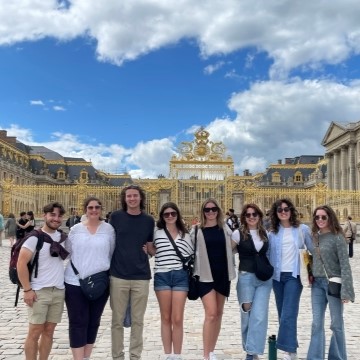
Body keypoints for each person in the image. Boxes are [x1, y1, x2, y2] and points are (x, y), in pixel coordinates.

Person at [64, 196, 115, 360]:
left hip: (100, 282)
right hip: (75, 282)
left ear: (101, 210)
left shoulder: (109, 230)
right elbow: (68, 253)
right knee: (78, 321)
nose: (94, 210)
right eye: (91, 207)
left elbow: (111, 253)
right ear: (85, 209)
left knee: (94, 321)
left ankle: (86, 357)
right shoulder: (75, 229)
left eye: (97, 207)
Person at [16, 202, 68, 360]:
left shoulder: (63, 238)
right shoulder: (34, 238)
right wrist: (27, 289)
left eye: (59, 215)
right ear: (44, 215)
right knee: (35, 331)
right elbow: (21, 263)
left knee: (50, 330)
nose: (56, 218)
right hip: (39, 291)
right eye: (52, 214)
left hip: (58, 290)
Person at [109, 184, 155, 360]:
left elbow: (151, 248)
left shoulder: (148, 220)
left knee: (138, 321)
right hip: (118, 275)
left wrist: (151, 251)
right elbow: (108, 241)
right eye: (129, 196)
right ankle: (117, 356)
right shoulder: (116, 217)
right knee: (117, 321)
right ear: (124, 198)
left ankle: (135, 356)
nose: (132, 199)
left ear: (141, 198)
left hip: (141, 276)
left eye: (135, 196)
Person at [306, 205, 355, 360]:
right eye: (317, 217)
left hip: (333, 283)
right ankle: (315, 357)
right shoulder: (314, 236)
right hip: (317, 285)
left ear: (330, 218)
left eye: (323, 217)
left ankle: (338, 357)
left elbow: (345, 265)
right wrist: (310, 273)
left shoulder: (337, 237)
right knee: (316, 323)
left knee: (336, 324)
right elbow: (314, 259)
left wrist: (346, 291)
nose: (320, 220)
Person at [267, 198, 313, 360]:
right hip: (277, 277)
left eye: (286, 209)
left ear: (291, 211)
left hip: (295, 275)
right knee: (282, 312)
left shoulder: (303, 229)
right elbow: (266, 254)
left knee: (289, 312)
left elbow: (313, 249)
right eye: (280, 210)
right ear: (276, 213)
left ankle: (289, 349)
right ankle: (290, 346)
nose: (283, 212)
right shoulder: (272, 232)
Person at [191, 198, 236, 360]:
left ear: (218, 210)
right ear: (203, 212)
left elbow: (236, 247)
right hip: (205, 276)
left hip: (223, 275)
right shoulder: (196, 230)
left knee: (218, 313)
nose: (211, 212)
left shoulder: (226, 229)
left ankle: (211, 350)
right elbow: (186, 248)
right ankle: (206, 355)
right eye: (207, 210)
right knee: (211, 314)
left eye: (213, 209)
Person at [148, 202, 193, 360]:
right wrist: (148, 250)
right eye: (166, 214)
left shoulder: (186, 234)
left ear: (177, 215)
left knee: (178, 318)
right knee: (166, 317)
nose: (170, 216)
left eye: (173, 213)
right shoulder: (156, 232)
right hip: (162, 275)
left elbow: (191, 255)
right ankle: (168, 355)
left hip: (180, 275)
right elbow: (152, 251)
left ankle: (178, 355)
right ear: (162, 216)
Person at [231, 204, 272, 360]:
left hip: (264, 279)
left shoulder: (265, 233)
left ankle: (251, 352)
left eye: (254, 214)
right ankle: (250, 349)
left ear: (259, 216)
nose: (251, 217)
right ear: (244, 217)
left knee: (259, 316)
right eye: (248, 215)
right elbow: (228, 252)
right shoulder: (237, 234)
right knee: (246, 314)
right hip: (246, 277)